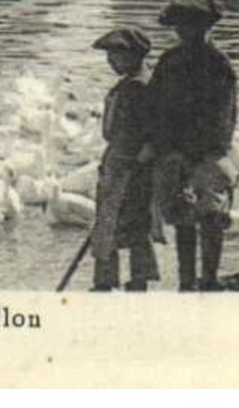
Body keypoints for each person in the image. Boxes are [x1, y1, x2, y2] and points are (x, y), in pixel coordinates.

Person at [147, 0, 236, 291]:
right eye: (181, 25)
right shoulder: (168, 61)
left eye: (194, 25)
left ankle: (209, 277)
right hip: (174, 153)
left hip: (208, 154)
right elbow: (155, 107)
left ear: (207, 26)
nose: (186, 31)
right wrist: (164, 148)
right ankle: (186, 280)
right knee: (182, 217)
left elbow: (225, 115)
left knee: (211, 216)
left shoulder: (219, 64)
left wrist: (205, 151)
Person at [88, 27, 160, 291]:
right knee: (129, 225)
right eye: (109, 56)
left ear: (134, 56)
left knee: (112, 225)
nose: (110, 62)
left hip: (129, 168)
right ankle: (137, 280)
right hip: (122, 163)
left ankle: (107, 282)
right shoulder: (137, 83)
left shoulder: (139, 87)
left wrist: (138, 159)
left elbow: (152, 131)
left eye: (115, 56)